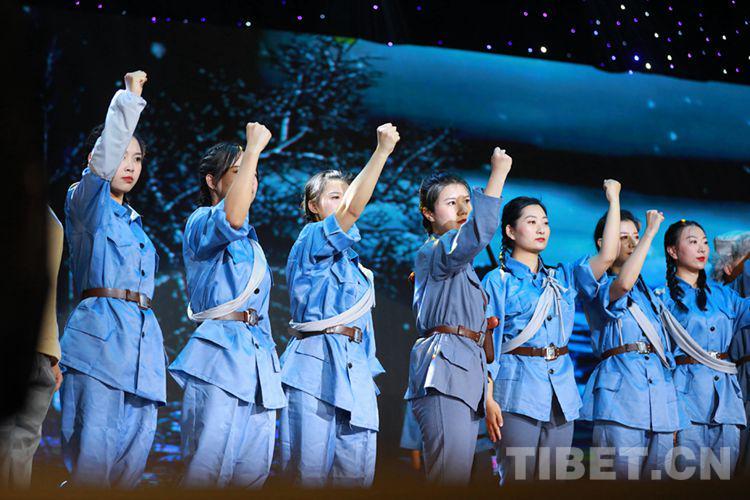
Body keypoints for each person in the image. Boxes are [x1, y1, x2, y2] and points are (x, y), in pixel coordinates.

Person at [59, 71, 166, 487]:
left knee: (131, 469)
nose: (131, 165)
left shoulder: (137, 226)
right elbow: (102, 167)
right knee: (91, 468)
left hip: (142, 354)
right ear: (99, 157)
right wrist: (130, 99)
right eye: (123, 154)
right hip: (98, 349)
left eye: (137, 159)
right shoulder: (85, 203)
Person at [278, 124, 400, 487]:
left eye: (346, 194)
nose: (344, 201)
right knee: (307, 475)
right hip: (314, 370)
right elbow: (352, 210)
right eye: (334, 196)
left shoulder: (357, 268)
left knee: (356, 476)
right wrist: (381, 152)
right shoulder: (310, 239)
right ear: (313, 206)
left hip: (356, 374)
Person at [168, 124, 285, 487]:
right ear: (212, 181)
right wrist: (253, 149)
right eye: (239, 170)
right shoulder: (202, 220)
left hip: (258, 364)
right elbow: (232, 218)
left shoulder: (253, 245)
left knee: (253, 472)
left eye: (254, 172)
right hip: (219, 359)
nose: (251, 178)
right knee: (208, 467)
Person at [482, 181, 622, 482]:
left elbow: (608, 256)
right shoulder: (497, 281)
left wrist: (614, 201)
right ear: (510, 231)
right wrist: (488, 398)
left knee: (554, 481)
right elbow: (487, 344)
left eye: (545, 222)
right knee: (518, 480)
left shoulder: (563, 277)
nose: (541, 229)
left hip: (561, 393)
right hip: (516, 394)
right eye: (531, 222)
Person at [405, 147, 512, 484]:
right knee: (448, 479)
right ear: (428, 213)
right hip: (445, 373)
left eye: (467, 201)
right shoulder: (436, 252)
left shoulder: (462, 267)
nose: (464, 209)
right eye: (452, 203)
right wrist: (498, 174)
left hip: (464, 376)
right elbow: (477, 234)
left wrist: (487, 393)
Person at [579, 208, 685, 479]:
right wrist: (650, 232)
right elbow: (623, 284)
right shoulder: (595, 284)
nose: (632, 243)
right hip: (620, 402)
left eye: (635, 236)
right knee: (619, 485)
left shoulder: (650, 295)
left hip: (660, 403)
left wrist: (672, 414)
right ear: (603, 243)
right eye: (622, 236)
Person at [661, 220, 750, 478]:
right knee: (687, 484)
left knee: (722, 486)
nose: (702, 248)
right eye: (693, 242)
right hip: (686, 402)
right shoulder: (663, 298)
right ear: (673, 251)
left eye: (704, 242)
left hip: (726, 402)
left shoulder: (724, 296)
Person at [0, 207, 64, 488]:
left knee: (22, 450)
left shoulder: (45, 214)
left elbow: (47, 290)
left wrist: (52, 352)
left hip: (38, 352)